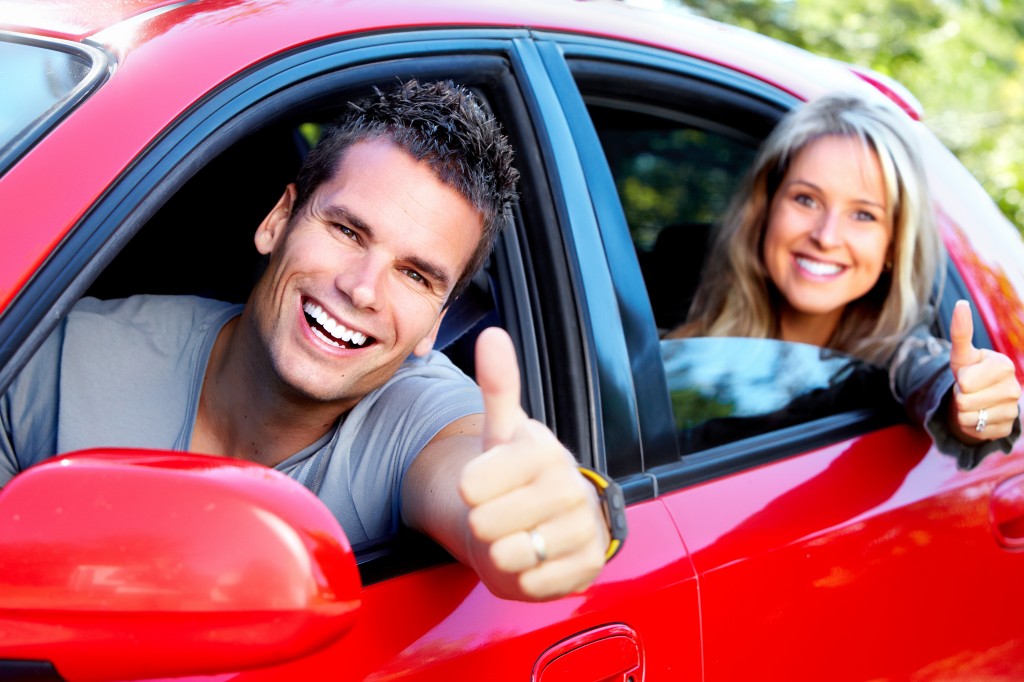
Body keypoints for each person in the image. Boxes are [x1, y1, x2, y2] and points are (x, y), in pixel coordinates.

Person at [0, 80, 616, 602]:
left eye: (415, 274)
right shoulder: (55, 357)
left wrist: (566, 511)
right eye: (347, 230)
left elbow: (473, 468)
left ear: (437, 321)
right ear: (277, 220)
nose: (363, 289)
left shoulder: (419, 419)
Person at [668, 93, 1021, 468]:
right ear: (766, 207)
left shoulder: (895, 356)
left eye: (864, 216)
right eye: (806, 200)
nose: (827, 236)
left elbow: (936, 381)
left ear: (892, 246)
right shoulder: (671, 314)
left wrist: (975, 410)